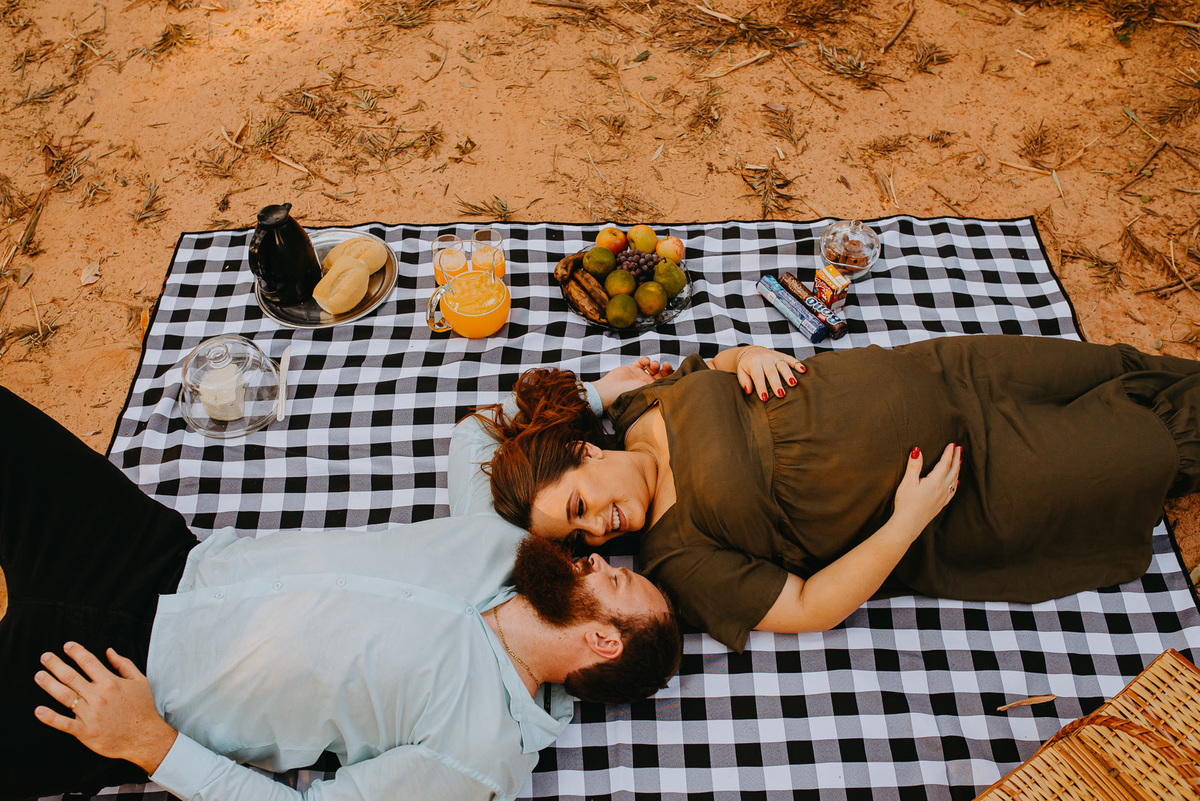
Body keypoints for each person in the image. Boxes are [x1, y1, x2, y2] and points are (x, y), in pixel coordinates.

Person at [0, 377, 681, 801]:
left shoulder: (480, 753)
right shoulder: (511, 548)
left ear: (602, 639)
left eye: (614, 578)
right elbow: (476, 437)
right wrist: (592, 397)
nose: (593, 560)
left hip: (122, 683)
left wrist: (150, 744)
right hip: (154, 557)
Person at [469, 335, 1200, 652]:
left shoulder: (638, 406)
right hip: (967, 485)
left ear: (583, 450)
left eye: (579, 505)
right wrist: (907, 521)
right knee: (1150, 446)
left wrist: (742, 355)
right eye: (585, 537)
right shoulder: (676, 556)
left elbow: (715, 364)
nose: (601, 526)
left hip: (948, 371)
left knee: (1115, 367)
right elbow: (810, 606)